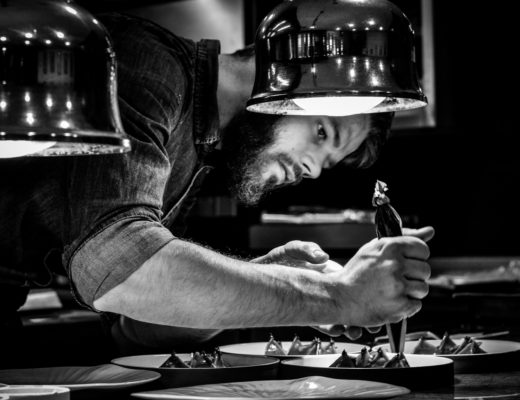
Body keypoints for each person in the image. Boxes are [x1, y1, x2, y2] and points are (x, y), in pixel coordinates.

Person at [0, 12, 433, 358]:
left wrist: (267, 282)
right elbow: (118, 268)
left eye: (329, 163)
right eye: (322, 132)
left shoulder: (201, 147)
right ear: (277, 74)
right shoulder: (148, 66)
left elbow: (132, 329)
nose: (313, 171)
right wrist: (335, 296)